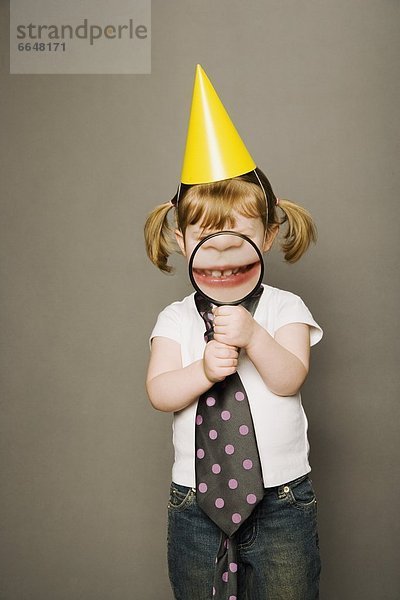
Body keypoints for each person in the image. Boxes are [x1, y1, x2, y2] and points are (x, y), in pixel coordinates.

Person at [144, 65, 322, 600]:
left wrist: (255, 337)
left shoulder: (285, 306)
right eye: (205, 236)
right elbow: (159, 393)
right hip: (194, 502)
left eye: (239, 235)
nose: (221, 249)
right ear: (180, 240)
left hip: (282, 500)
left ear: (268, 237)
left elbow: (290, 379)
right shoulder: (176, 319)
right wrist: (201, 370)